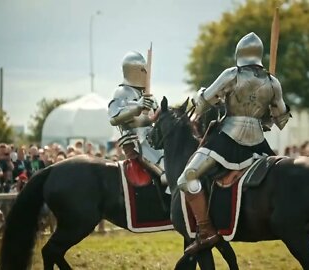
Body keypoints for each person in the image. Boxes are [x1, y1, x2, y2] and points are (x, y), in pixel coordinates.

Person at [179, 32, 291, 254]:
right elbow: (281, 119)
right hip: (259, 144)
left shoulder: (232, 74)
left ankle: (206, 230)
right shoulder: (272, 81)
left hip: (228, 138)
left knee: (187, 177)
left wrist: (203, 97)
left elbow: (204, 101)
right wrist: (267, 102)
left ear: (239, 54)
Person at [107, 51, 165, 180]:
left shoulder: (150, 96)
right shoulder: (122, 92)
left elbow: (157, 119)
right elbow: (114, 118)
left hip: (154, 139)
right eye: (145, 71)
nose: (147, 75)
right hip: (136, 141)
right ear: (136, 71)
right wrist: (137, 107)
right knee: (166, 169)